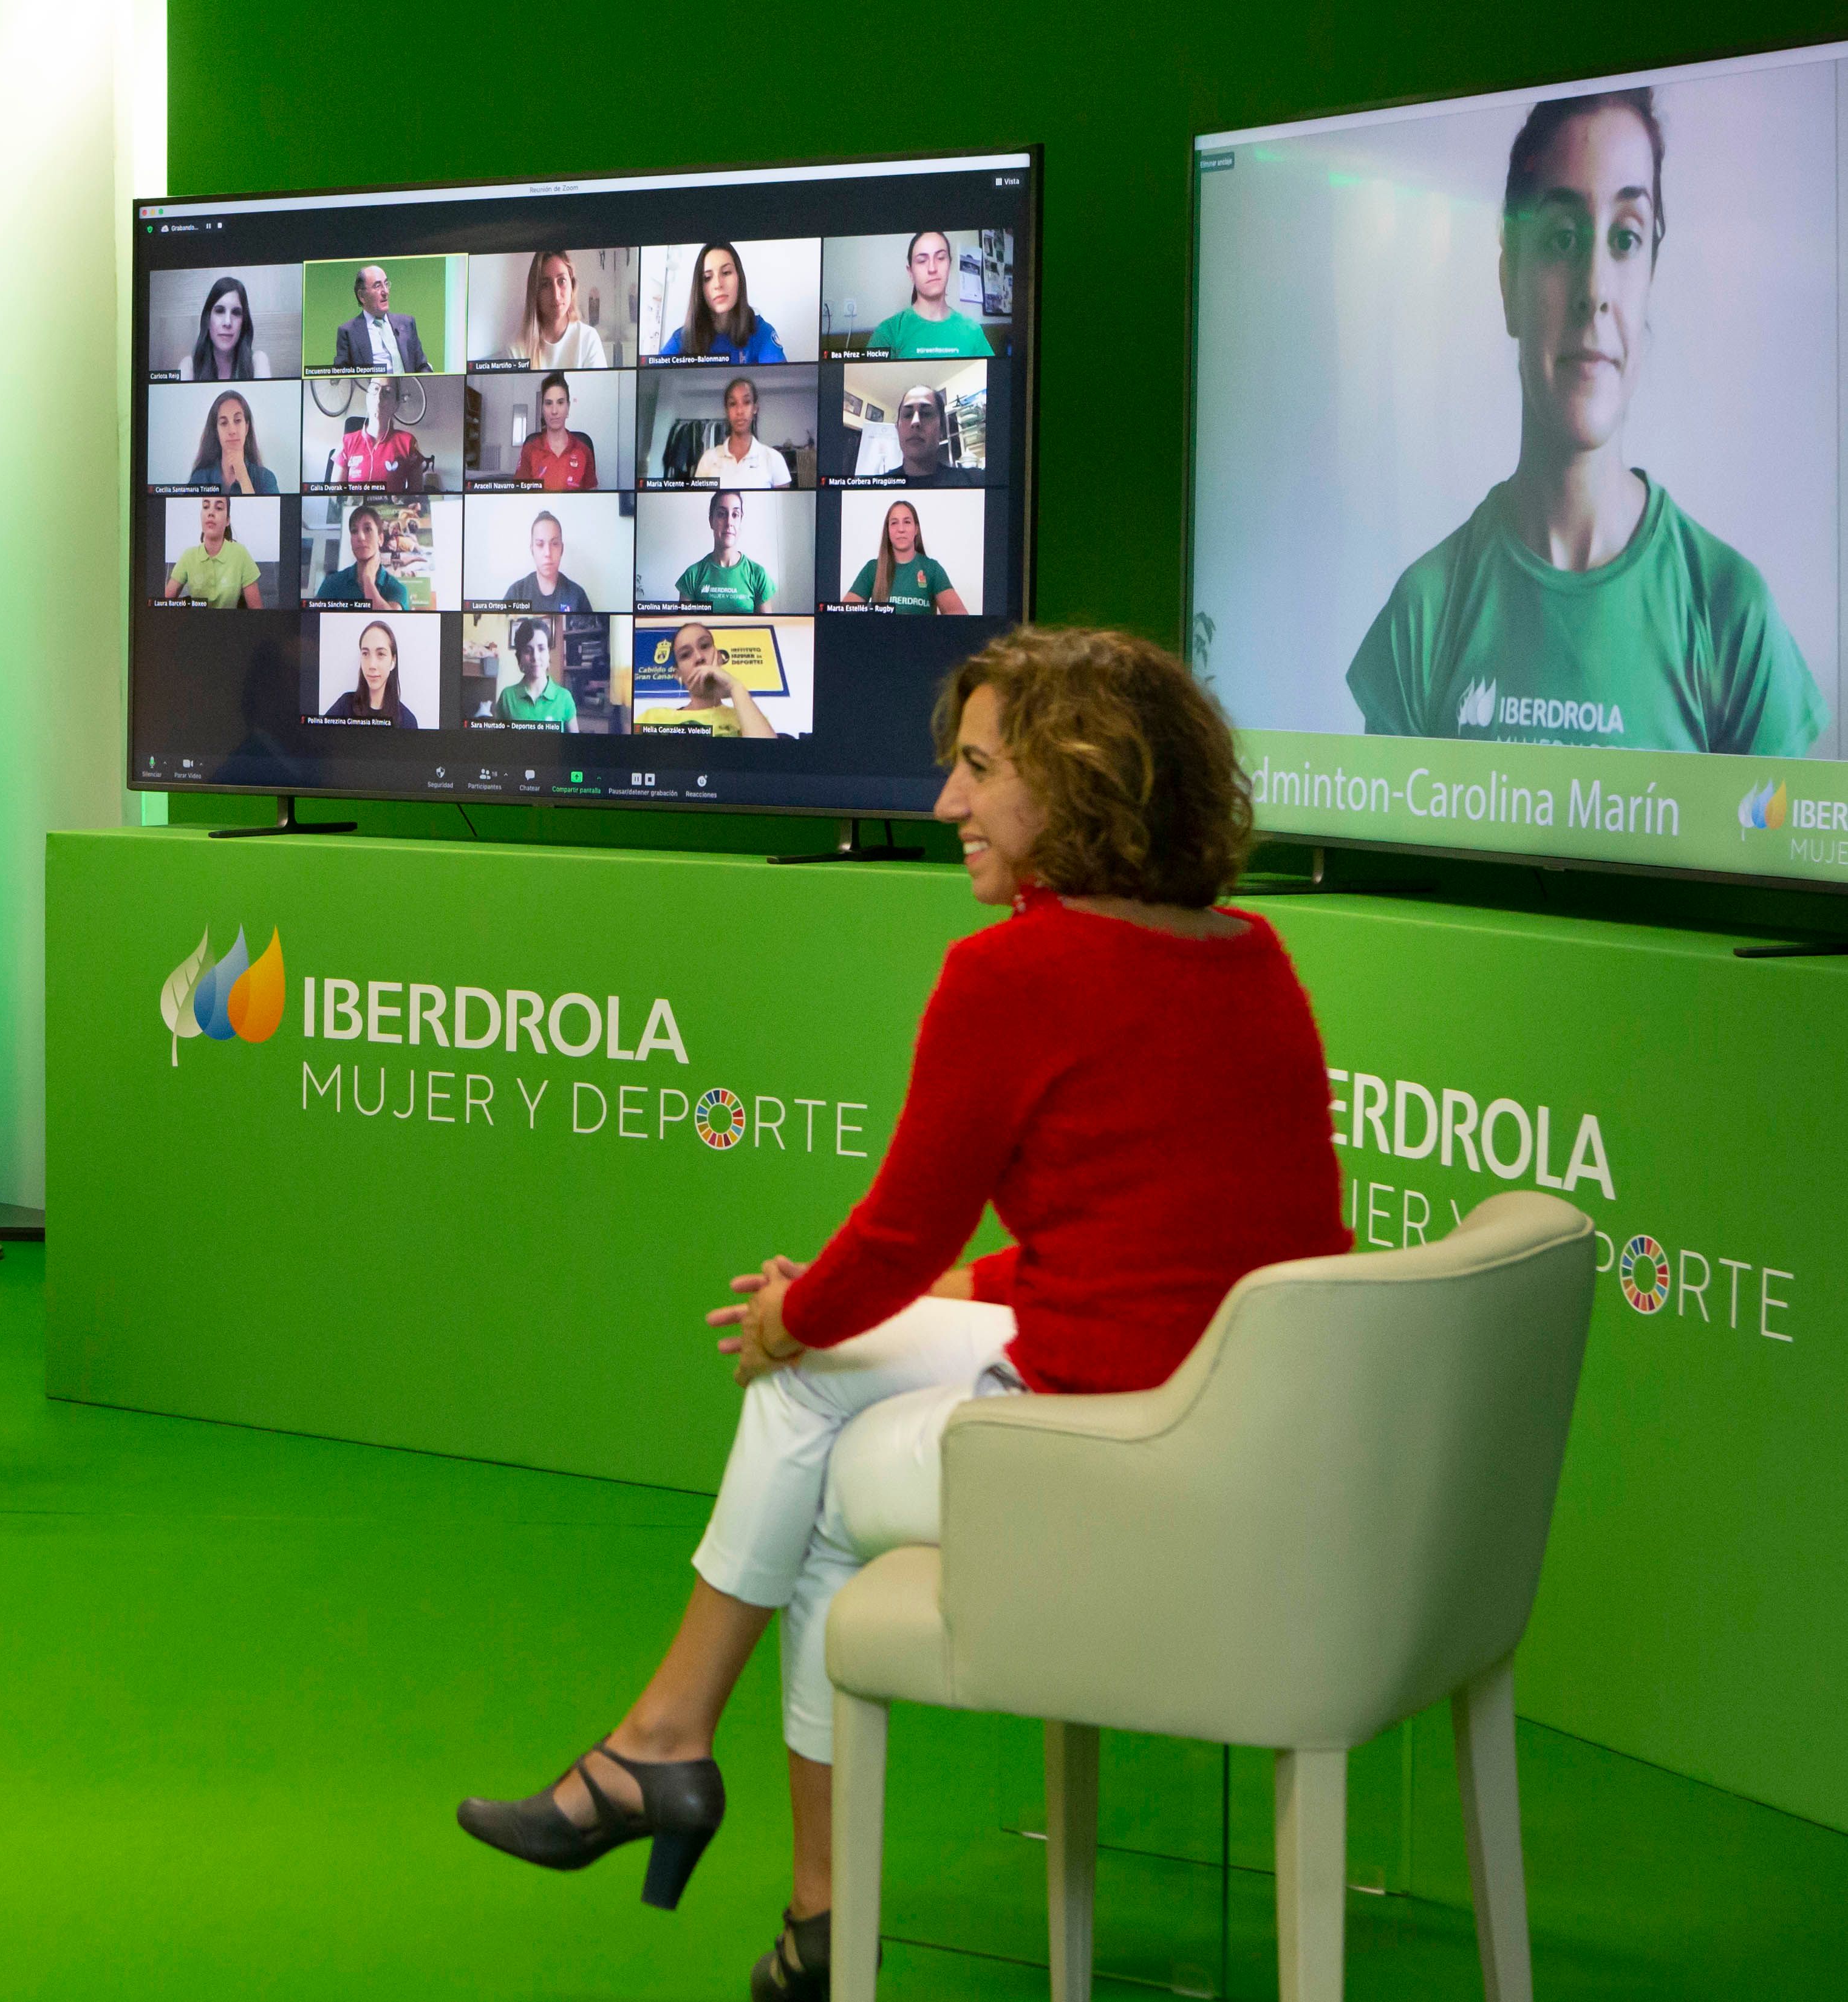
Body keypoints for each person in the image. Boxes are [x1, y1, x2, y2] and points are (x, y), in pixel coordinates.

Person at [457, 627, 1351, 2002]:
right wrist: (916, 1299)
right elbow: (1169, 1244)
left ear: (1080, 784)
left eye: (978, 771)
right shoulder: (1250, 954)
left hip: (1113, 1448)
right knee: (829, 1393)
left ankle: (682, 1768)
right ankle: (758, 1859)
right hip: (1239, 1427)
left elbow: (892, 1238)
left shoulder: (1012, 975)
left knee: (803, 1409)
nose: (943, 805)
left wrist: (791, 1321)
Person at [1346, 88, 1827, 754]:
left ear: (1650, 276)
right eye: (1561, 238)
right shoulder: (1425, 612)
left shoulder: (1733, 616)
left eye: (1626, 238)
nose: (1594, 288)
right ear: (1508, 279)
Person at [633, 621, 776, 737]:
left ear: (719, 658)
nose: (699, 658)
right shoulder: (651, 718)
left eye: (705, 646)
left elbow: (767, 760)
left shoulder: (748, 717)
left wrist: (735, 687)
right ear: (678, 675)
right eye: (685, 655)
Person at [869, 231, 995, 358]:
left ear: (949, 265)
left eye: (940, 258)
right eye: (922, 261)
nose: (932, 268)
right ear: (911, 272)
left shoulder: (973, 332)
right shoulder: (888, 333)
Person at [656, 243, 786, 362]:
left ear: (739, 278)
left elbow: (780, 381)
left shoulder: (761, 332)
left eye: (726, 272)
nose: (718, 284)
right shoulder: (682, 340)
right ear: (700, 289)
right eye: (707, 278)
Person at [849, 500, 966, 613]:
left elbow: (959, 615)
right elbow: (845, 612)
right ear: (888, 530)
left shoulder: (932, 569)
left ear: (916, 529)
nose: (901, 529)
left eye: (907, 522)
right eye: (894, 523)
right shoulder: (872, 568)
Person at [673, 489, 774, 612]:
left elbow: (765, 629)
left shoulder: (759, 575)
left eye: (735, 515)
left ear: (741, 520)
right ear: (711, 521)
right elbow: (687, 631)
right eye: (722, 514)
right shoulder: (692, 576)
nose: (729, 523)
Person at [508, 249, 611, 369]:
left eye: (562, 281)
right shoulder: (516, 349)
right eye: (545, 284)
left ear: (572, 286)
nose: (556, 295)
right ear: (535, 292)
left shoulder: (589, 339)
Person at [693, 376, 793, 489]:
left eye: (746, 402)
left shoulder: (774, 459)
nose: (739, 411)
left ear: (755, 408)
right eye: (733, 404)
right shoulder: (708, 459)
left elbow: (782, 505)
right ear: (727, 410)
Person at [164, 495, 263, 608]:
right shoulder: (189, 556)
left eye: (219, 508)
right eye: (206, 507)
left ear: (227, 521)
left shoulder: (241, 554)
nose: (210, 512)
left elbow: (257, 611)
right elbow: (163, 605)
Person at [330, 264, 433, 373]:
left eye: (386, 284)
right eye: (377, 286)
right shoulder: (348, 332)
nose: (386, 292)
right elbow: (342, 376)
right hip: (371, 389)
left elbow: (422, 366)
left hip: (408, 389)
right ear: (362, 296)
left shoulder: (407, 323)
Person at [322, 618, 420, 726]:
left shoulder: (407, 721)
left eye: (381, 654)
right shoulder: (344, 707)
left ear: (393, 661)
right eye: (365, 654)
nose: (372, 665)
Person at [332, 380, 427, 488]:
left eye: (387, 392)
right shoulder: (346, 442)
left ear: (396, 405)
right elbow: (335, 499)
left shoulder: (409, 443)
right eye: (375, 389)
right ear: (367, 398)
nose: (379, 397)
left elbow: (417, 498)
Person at [186, 389, 281, 495]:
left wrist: (244, 477)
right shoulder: (200, 478)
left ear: (246, 427)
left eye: (238, 421)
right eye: (224, 423)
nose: (232, 431)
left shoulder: (266, 479)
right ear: (216, 431)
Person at [311, 505, 406, 608]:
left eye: (368, 529)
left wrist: (368, 580)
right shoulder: (332, 584)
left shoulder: (396, 589)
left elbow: (388, 622)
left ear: (381, 539)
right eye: (354, 531)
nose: (360, 537)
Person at [517, 373, 599, 491]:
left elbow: (592, 498)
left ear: (568, 407)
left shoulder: (584, 451)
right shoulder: (530, 450)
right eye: (549, 403)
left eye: (560, 403)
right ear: (542, 409)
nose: (554, 411)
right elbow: (519, 497)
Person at [492, 616, 579, 727]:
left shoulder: (565, 698)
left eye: (541, 649)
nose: (535, 657)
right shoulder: (507, 697)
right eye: (528, 651)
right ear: (520, 658)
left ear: (548, 654)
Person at [501, 509, 593, 613]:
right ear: (532, 550)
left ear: (562, 549)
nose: (548, 553)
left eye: (554, 544)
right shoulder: (516, 593)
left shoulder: (577, 595)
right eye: (540, 545)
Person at [185, 273, 270, 380]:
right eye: (220, 311)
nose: (228, 322)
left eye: (236, 313)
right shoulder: (189, 366)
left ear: (243, 322)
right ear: (207, 319)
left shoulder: (257, 361)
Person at [893, 385, 977, 483]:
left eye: (926, 414)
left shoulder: (972, 481)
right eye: (908, 415)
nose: (915, 422)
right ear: (897, 428)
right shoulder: (879, 486)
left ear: (941, 429)